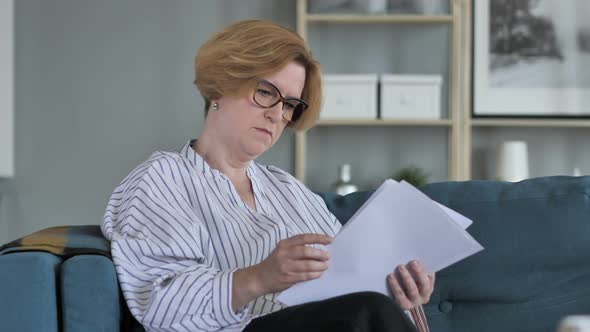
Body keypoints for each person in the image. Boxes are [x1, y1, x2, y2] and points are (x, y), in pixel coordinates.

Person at [101, 19, 434, 332]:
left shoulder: (290, 191)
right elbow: (158, 303)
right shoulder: (162, 179)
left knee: (372, 306)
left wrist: (401, 296)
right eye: (265, 92)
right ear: (220, 87)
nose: (276, 114)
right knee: (366, 311)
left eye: (289, 104)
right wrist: (257, 278)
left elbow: (353, 283)